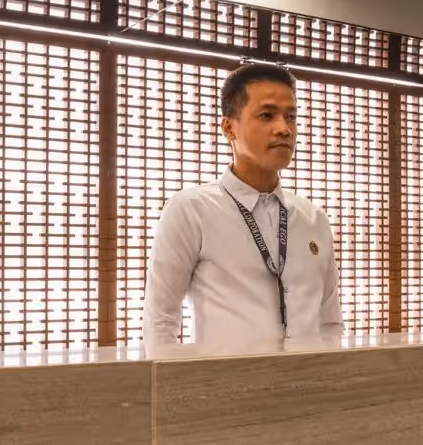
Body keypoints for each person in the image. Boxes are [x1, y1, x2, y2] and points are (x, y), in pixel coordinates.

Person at [144, 62, 343, 349]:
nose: (284, 129)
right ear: (229, 128)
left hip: (310, 376)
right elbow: (160, 321)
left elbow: (330, 322)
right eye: (267, 115)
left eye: (291, 117)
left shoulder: (314, 218)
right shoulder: (191, 209)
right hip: (227, 377)